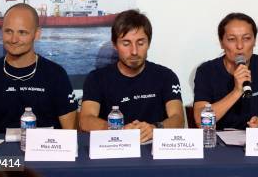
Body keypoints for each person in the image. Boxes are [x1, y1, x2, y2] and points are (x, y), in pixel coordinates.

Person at [0, 3, 77, 134]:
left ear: (37, 34)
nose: (14, 39)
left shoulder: (56, 75)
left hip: (46, 153)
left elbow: (71, 136)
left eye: (22, 32)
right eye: (8, 31)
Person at [79, 10, 184, 142]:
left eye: (140, 43)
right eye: (126, 43)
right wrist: (117, 130)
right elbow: (86, 119)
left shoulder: (166, 76)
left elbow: (178, 118)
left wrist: (156, 128)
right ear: (115, 45)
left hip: (155, 149)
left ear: (149, 43)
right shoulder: (96, 78)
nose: (134, 51)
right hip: (114, 146)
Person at [193, 13, 258, 129]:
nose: (240, 46)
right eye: (231, 39)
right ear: (221, 43)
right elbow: (200, 121)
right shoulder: (206, 71)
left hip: (256, 141)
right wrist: (237, 91)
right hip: (217, 141)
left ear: (254, 41)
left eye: (246, 38)